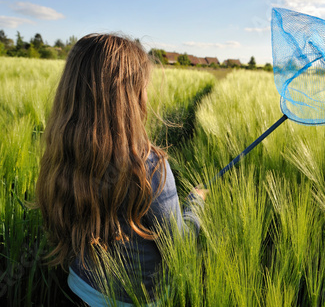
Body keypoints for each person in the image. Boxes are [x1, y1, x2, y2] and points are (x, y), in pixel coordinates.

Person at [36, 33, 206, 306]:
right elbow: (180, 248)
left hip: (80, 286)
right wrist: (195, 206)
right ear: (130, 97)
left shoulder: (63, 152)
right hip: (133, 300)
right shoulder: (150, 167)